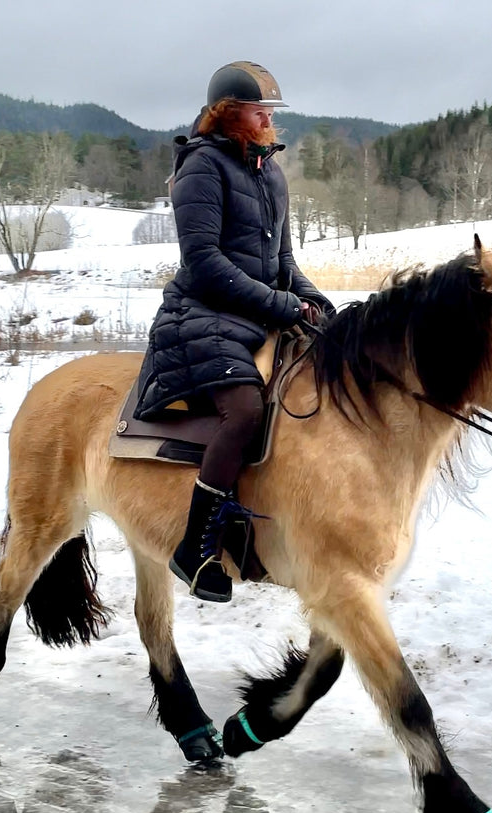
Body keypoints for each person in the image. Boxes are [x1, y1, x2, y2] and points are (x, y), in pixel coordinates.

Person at [134, 60, 335, 603]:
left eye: (271, 109)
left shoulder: (269, 170)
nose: (269, 116)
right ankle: (195, 549)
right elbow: (203, 263)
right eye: (258, 108)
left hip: (259, 311)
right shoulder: (202, 167)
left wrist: (314, 300)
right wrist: (282, 304)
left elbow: (282, 259)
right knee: (244, 411)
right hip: (203, 314)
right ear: (227, 114)